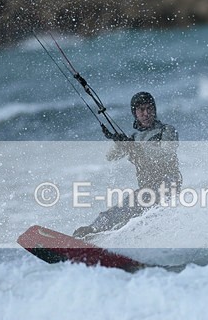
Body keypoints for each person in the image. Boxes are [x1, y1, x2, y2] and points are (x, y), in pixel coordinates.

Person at [73, 92, 182, 238]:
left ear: (154, 110)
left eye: (149, 108)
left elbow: (167, 152)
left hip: (168, 184)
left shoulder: (166, 130)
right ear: (134, 113)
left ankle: (94, 230)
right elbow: (110, 157)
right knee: (123, 216)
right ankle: (94, 234)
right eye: (141, 110)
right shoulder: (134, 138)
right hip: (147, 188)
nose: (146, 113)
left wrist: (135, 146)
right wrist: (118, 142)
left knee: (128, 207)